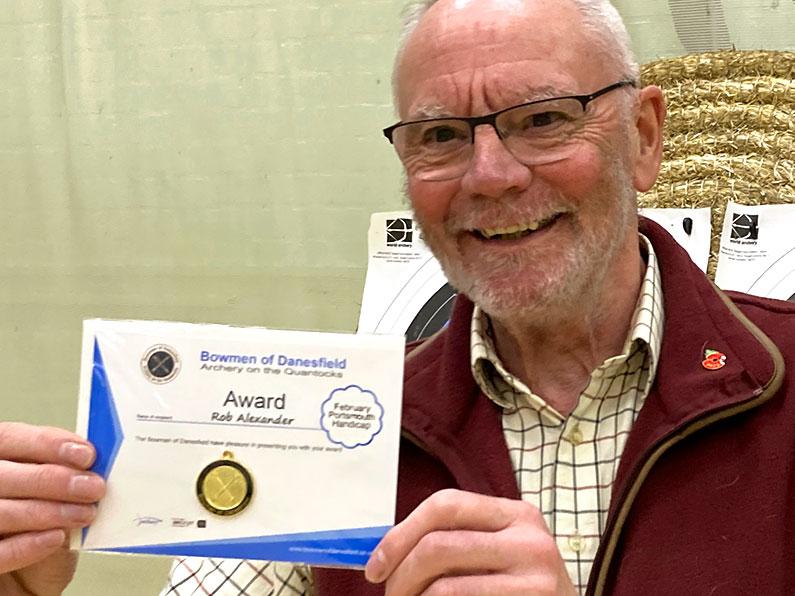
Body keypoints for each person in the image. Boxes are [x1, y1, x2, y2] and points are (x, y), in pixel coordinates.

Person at [2, 0, 795, 594]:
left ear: (644, 137)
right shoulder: (312, 428)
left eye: (545, 118)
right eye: (440, 136)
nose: (490, 176)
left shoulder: (780, 386)